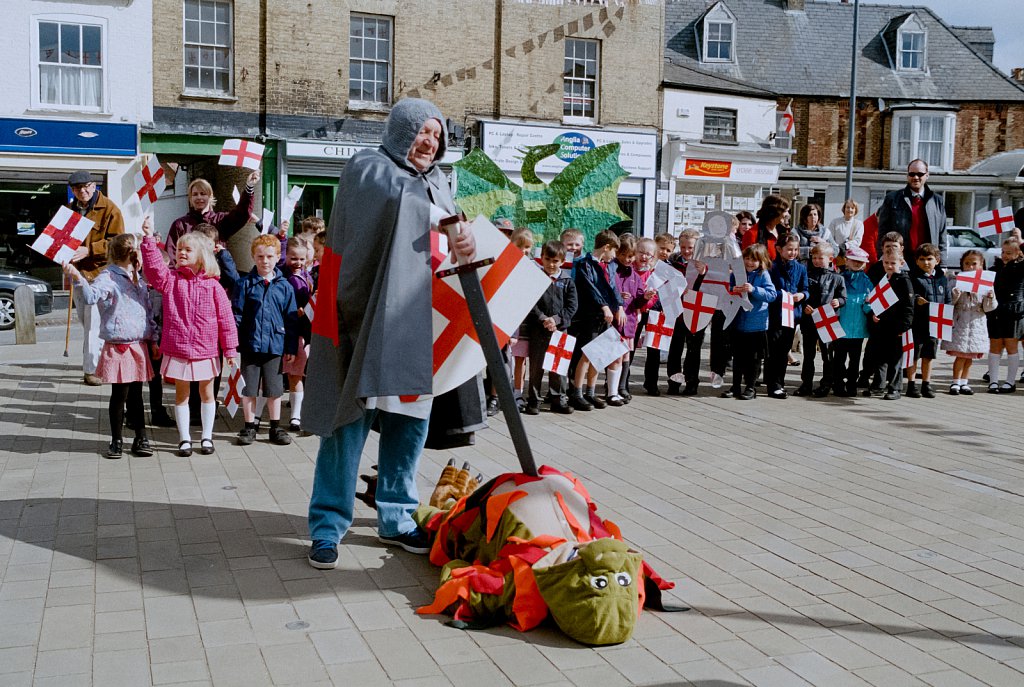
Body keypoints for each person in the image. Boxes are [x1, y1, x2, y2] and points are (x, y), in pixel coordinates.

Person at [302, 99, 478, 570]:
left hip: (414, 320)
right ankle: (327, 524)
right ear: (401, 131)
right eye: (422, 132)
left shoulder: (439, 182)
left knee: (409, 420)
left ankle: (397, 516)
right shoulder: (368, 167)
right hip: (357, 314)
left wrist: (465, 237)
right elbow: (393, 208)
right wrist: (443, 217)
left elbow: (454, 233)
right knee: (347, 420)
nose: (430, 143)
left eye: (437, 136)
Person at [140, 217, 238, 456]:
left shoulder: (214, 286)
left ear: (202, 255)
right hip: (179, 349)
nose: (181, 253)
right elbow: (153, 270)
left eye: (187, 250)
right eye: (179, 249)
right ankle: (184, 439)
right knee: (181, 395)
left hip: (206, 350)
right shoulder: (171, 281)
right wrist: (149, 241)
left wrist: (231, 350)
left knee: (207, 394)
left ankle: (206, 437)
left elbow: (226, 320)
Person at [64, 234, 156, 459]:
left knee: (136, 394)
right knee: (120, 394)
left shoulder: (138, 279)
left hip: (138, 344)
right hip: (118, 345)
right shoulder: (109, 277)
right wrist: (77, 277)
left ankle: (140, 437)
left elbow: (148, 310)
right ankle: (116, 440)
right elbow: (91, 297)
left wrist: (153, 338)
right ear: (131, 254)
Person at [233, 235, 298, 445]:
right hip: (250, 345)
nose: (265, 260)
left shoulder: (285, 286)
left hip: (275, 346)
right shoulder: (244, 284)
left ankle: (275, 427)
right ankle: (249, 427)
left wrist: (290, 346)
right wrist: (232, 345)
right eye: (260, 256)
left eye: (270, 256)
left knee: (274, 389)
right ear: (253, 256)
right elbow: (237, 315)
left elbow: (291, 319)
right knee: (249, 388)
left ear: (278, 257)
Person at [65, 170, 125, 386]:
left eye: (86, 186)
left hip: (99, 274)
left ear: (94, 186)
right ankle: (103, 358)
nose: (83, 191)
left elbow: (118, 241)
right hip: (77, 273)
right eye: (77, 188)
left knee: (93, 325)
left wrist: (89, 250)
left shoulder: (109, 209)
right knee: (86, 321)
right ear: (72, 190)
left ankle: (92, 370)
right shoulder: (69, 211)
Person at [568, 230, 623, 411]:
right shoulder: (585, 264)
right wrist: (604, 306)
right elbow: (591, 288)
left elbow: (613, 287)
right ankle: (577, 392)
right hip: (590, 315)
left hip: (605, 317)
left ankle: (590, 392)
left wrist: (619, 306)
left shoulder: (609, 266)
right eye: (614, 251)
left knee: (599, 354)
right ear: (606, 247)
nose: (614, 256)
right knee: (586, 354)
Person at [523, 240, 578, 415]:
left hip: (560, 330)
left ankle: (558, 400)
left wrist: (556, 320)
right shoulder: (535, 279)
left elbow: (572, 306)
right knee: (536, 367)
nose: (551, 264)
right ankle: (534, 400)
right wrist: (543, 319)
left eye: (555, 261)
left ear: (562, 261)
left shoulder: (568, 281)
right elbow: (530, 304)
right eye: (548, 259)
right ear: (541, 258)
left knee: (558, 367)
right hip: (538, 330)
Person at [164, 171, 260, 260]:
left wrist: (249, 187)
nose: (199, 197)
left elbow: (242, 214)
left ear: (210, 197)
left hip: (215, 274)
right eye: (195, 194)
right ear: (190, 198)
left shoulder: (220, 220)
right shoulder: (180, 224)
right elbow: (171, 254)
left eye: (203, 194)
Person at [943, 250, 997, 395]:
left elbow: (988, 308)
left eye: (974, 264)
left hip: (977, 324)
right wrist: (955, 295)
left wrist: (990, 298)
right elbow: (949, 304)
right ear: (962, 265)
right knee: (960, 355)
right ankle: (955, 382)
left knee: (970, 358)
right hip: (961, 323)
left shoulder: (986, 284)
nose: (971, 267)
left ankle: (964, 382)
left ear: (981, 265)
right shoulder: (956, 282)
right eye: (967, 263)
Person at [726, 244, 777, 400]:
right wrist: (732, 289)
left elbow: (771, 294)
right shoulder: (737, 273)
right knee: (738, 357)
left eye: (754, 260)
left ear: (761, 261)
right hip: (739, 322)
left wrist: (754, 290)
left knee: (754, 359)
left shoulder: (763, 275)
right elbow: (727, 288)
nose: (749, 263)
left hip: (757, 325)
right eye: (747, 259)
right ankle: (735, 386)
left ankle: (750, 387)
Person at [796, 242, 846, 397]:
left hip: (827, 319)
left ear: (830, 259)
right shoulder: (807, 274)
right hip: (810, 319)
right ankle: (806, 384)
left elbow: (843, 297)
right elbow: (802, 292)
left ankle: (826, 384)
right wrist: (804, 305)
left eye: (820, 258)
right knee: (808, 354)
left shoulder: (837, 278)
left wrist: (839, 302)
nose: (817, 260)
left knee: (827, 355)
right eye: (814, 257)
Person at [864, 249, 914, 400]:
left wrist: (904, 326)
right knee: (880, 357)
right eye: (886, 263)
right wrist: (874, 314)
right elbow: (877, 301)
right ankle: (878, 385)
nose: (889, 266)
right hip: (882, 326)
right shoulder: (883, 279)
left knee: (895, 359)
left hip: (897, 327)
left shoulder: (904, 281)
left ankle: (895, 388)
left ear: (901, 263)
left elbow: (909, 306)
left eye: (893, 263)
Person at [876, 159, 947, 266]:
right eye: (912, 174)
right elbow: (883, 233)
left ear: (927, 175)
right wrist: (883, 257)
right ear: (907, 175)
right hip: (900, 260)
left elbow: (942, 235)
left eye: (920, 174)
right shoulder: (892, 199)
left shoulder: (937, 201)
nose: (916, 177)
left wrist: (943, 264)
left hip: (927, 261)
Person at [765, 233, 808, 399]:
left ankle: (779, 383)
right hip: (775, 314)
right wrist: (783, 295)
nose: (793, 253)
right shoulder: (771, 267)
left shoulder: (801, 268)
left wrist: (802, 296)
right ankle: (773, 384)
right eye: (789, 249)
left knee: (784, 350)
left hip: (792, 315)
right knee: (773, 350)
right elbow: (769, 290)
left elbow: (805, 289)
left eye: (795, 250)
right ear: (779, 249)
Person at [905, 243, 950, 399]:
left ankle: (926, 383)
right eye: (922, 259)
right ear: (916, 261)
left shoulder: (941, 278)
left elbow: (947, 299)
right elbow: (907, 296)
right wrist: (916, 299)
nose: (926, 262)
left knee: (929, 354)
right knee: (914, 354)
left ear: (937, 260)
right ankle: (911, 384)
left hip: (934, 323)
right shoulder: (912, 277)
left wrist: (947, 312)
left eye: (929, 259)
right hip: (917, 322)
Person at [665, 230, 706, 396]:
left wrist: (703, 274)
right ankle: (674, 382)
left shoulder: (704, 265)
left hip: (696, 312)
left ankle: (691, 382)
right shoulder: (672, 264)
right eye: (683, 247)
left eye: (690, 247)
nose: (687, 250)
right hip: (676, 312)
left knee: (693, 350)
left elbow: (710, 288)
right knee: (675, 349)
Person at [281, 236, 314, 431]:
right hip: (283, 332)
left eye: (302, 259)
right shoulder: (280, 275)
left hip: (301, 333)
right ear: (285, 256)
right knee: (273, 377)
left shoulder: (307, 276)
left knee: (296, 375)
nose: (298, 263)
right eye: (293, 258)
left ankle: (295, 416)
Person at [832, 246, 872, 397]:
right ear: (846, 261)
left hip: (858, 328)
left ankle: (851, 385)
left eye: (860, 261)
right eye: (853, 260)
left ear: (865, 264)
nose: (856, 263)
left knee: (855, 359)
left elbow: (870, 306)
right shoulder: (839, 279)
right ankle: (838, 383)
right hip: (841, 326)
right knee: (839, 358)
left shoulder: (867, 282)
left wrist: (869, 305)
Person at [985, 237, 1024, 393]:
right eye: (1003, 252)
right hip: (995, 310)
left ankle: (1010, 382)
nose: (1004, 255)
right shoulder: (995, 269)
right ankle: (993, 381)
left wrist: (1020, 239)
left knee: (1011, 346)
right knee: (995, 346)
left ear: (1018, 253)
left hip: (1014, 311)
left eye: (1009, 253)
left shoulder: (1021, 268)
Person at [509, 227, 536, 410]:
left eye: (527, 247)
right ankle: (502, 392)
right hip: (509, 319)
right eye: (520, 246)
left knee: (520, 359)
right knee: (507, 358)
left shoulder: (533, 266)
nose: (524, 251)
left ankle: (518, 392)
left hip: (526, 321)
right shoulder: (506, 264)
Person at [742, 194, 790, 262]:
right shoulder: (752, 234)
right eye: (785, 211)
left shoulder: (783, 231)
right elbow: (748, 263)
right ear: (775, 212)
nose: (788, 215)